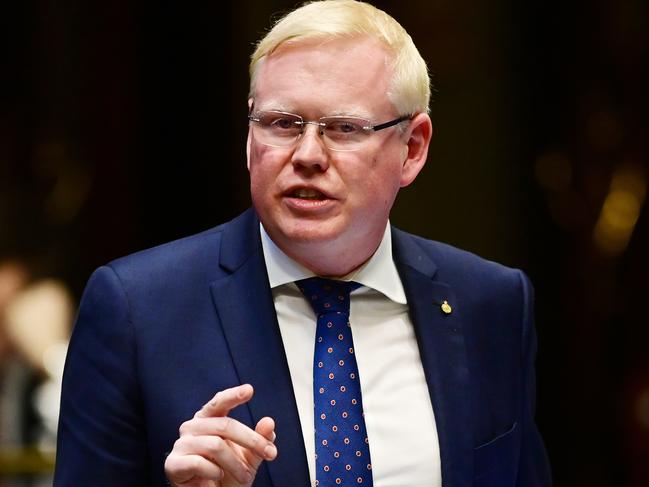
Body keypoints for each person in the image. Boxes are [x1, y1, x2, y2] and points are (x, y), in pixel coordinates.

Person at [54, 1, 552, 486]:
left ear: (412, 149)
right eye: (283, 124)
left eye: (343, 128)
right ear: (251, 137)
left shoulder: (491, 303)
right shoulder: (137, 308)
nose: (308, 155)